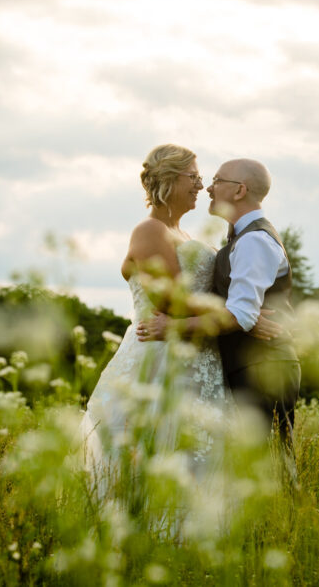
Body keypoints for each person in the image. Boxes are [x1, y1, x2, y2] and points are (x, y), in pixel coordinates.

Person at [79, 144, 233, 496]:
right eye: (193, 177)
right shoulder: (149, 231)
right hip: (159, 359)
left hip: (197, 358)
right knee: (154, 458)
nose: (200, 185)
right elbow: (173, 302)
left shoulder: (184, 235)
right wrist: (234, 314)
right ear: (168, 179)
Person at [136, 158, 301, 477]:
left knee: (273, 467)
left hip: (264, 367)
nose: (208, 187)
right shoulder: (242, 238)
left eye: (216, 180)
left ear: (239, 191)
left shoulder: (254, 240)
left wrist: (172, 326)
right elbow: (242, 311)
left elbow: (240, 313)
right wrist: (246, 318)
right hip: (251, 364)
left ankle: (291, 526)